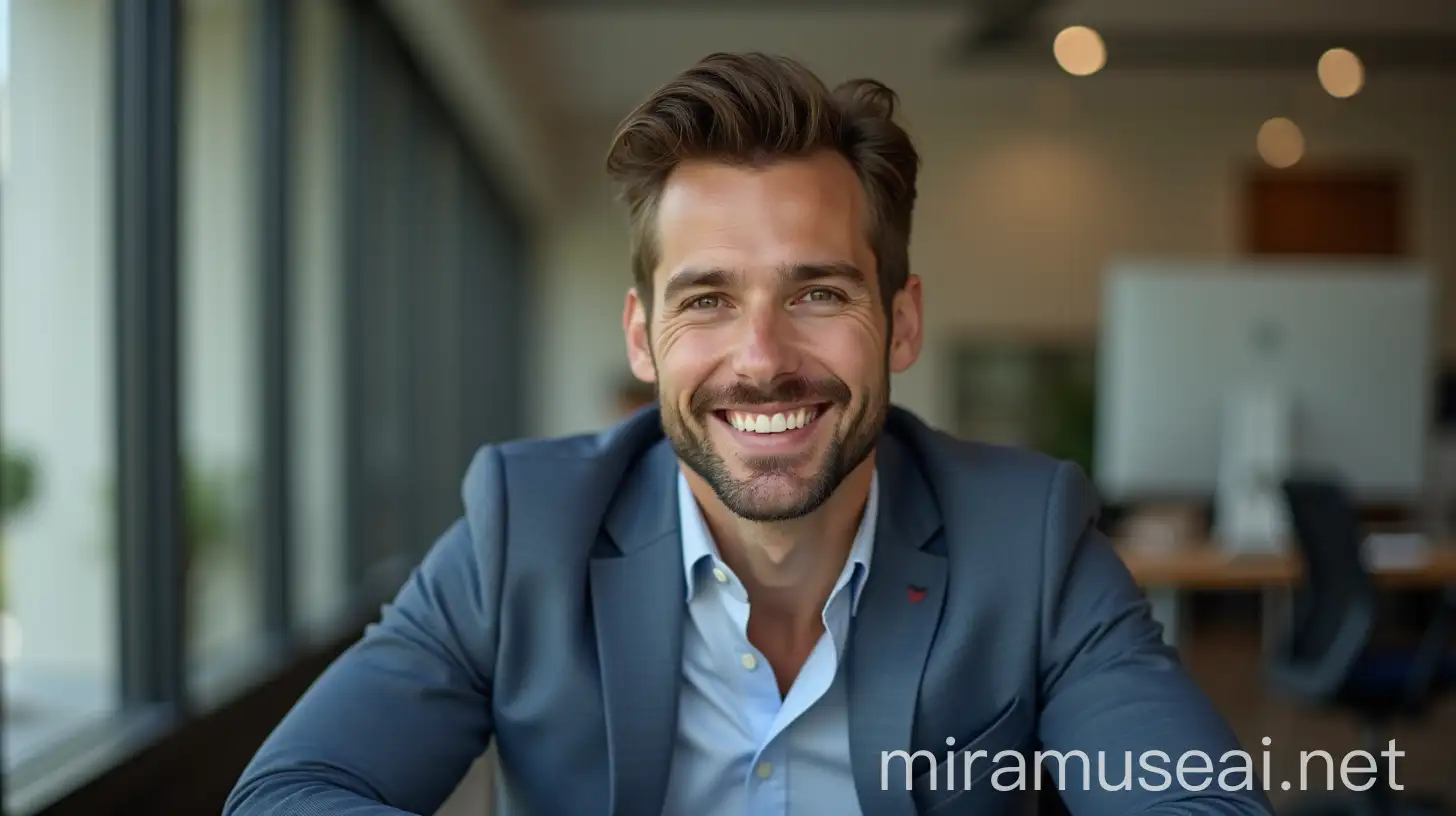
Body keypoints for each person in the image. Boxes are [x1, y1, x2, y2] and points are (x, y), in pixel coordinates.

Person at [226, 53, 1272, 815]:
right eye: (707, 300)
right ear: (643, 337)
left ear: (899, 322)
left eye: (816, 292)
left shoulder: (1026, 538)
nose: (762, 356)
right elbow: (292, 794)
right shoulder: (523, 531)